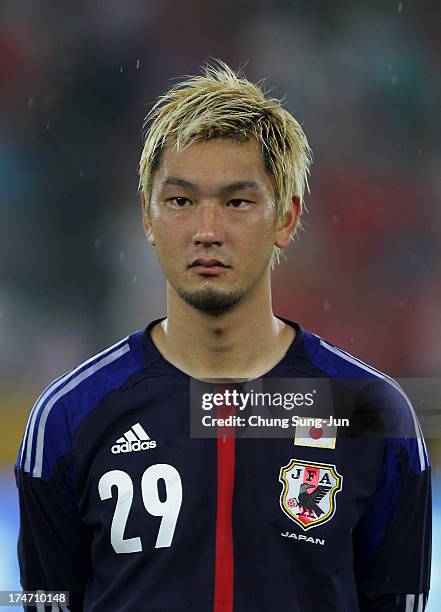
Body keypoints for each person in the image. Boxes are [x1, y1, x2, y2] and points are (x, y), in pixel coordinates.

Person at [15, 61, 431, 612]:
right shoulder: (69, 418)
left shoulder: (373, 412)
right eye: (181, 201)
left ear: (286, 217)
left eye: (237, 202)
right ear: (148, 216)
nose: (207, 231)